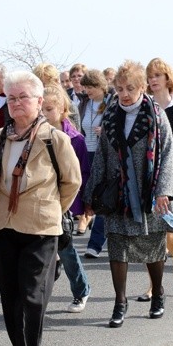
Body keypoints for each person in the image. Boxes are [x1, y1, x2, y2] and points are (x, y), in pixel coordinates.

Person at [0, 71, 80, 346]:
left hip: (40, 228)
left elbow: (72, 182)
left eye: (23, 97)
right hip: (4, 225)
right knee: (9, 294)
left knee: (31, 294)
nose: (16, 103)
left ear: (40, 101)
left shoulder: (55, 139)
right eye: (11, 98)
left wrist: (51, 210)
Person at [83, 60, 173, 328]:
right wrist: (92, 194)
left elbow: (168, 154)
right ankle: (119, 302)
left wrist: (164, 192)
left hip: (150, 194)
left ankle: (158, 294)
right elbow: (101, 155)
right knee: (117, 248)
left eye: (130, 88)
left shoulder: (156, 115)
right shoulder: (111, 114)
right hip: (117, 195)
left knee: (153, 249)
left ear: (142, 87)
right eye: (120, 88)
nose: (124, 94)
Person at [136, 57, 173, 300]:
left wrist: (161, 170)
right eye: (149, 76)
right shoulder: (143, 107)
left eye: (157, 75)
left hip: (171, 177)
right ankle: (154, 285)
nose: (152, 80)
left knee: (168, 229)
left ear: (168, 78)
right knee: (151, 234)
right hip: (145, 178)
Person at [41, 84, 91, 313]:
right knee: (38, 250)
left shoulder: (76, 140)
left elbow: (80, 174)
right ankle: (33, 298)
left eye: (50, 109)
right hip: (39, 199)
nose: (44, 114)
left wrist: (78, 206)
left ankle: (81, 291)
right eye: (41, 108)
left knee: (66, 250)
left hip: (63, 202)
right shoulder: (34, 135)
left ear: (62, 110)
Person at [77, 70, 111, 256]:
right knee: (86, 195)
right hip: (85, 154)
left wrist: (105, 131)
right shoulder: (83, 103)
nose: (87, 90)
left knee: (101, 198)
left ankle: (95, 244)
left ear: (101, 86)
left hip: (103, 155)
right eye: (86, 87)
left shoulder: (111, 103)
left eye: (91, 87)